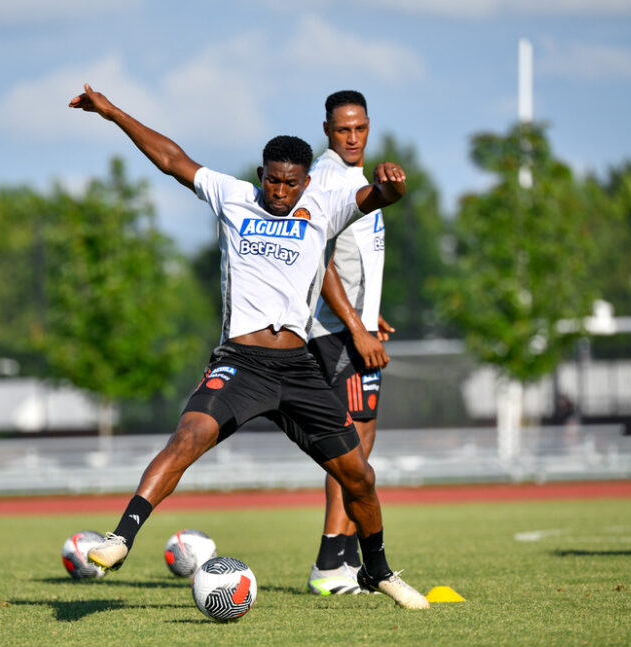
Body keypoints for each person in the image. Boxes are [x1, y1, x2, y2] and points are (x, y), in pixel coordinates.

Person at [68, 84, 429, 609]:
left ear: (306, 182)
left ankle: (377, 570)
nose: (280, 192)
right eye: (272, 181)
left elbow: (380, 198)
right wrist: (111, 113)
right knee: (187, 436)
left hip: (299, 368)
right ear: (261, 174)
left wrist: (393, 185)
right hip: (242, 363)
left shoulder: (324, 206)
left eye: (290, 184)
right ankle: (121, 538)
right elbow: (170, 159)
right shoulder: (233, 196)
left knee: (359, 476)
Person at [305, 91, 396, 596]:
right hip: (338, 336)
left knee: (361, 439)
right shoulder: (326, 179)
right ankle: (330, 561)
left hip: (354, 327)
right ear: (327, 130)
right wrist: (357, 328)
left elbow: (354, 258)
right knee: (350, 448)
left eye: (360, 128)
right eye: (343, 129)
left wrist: (370, 310)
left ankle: (345, 557)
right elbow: (318, 260)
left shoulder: (355, 177)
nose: (353, 137)